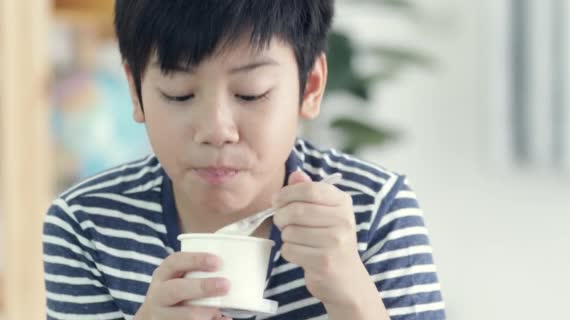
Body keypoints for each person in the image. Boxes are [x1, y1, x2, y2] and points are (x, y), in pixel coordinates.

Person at [43, 1, 446, 319]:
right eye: (179, 93)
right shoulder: (86, 225)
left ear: (311, 86)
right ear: (136, 92)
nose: (217, 129)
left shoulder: (374, 209)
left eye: (251, 93)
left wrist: (350, 292)